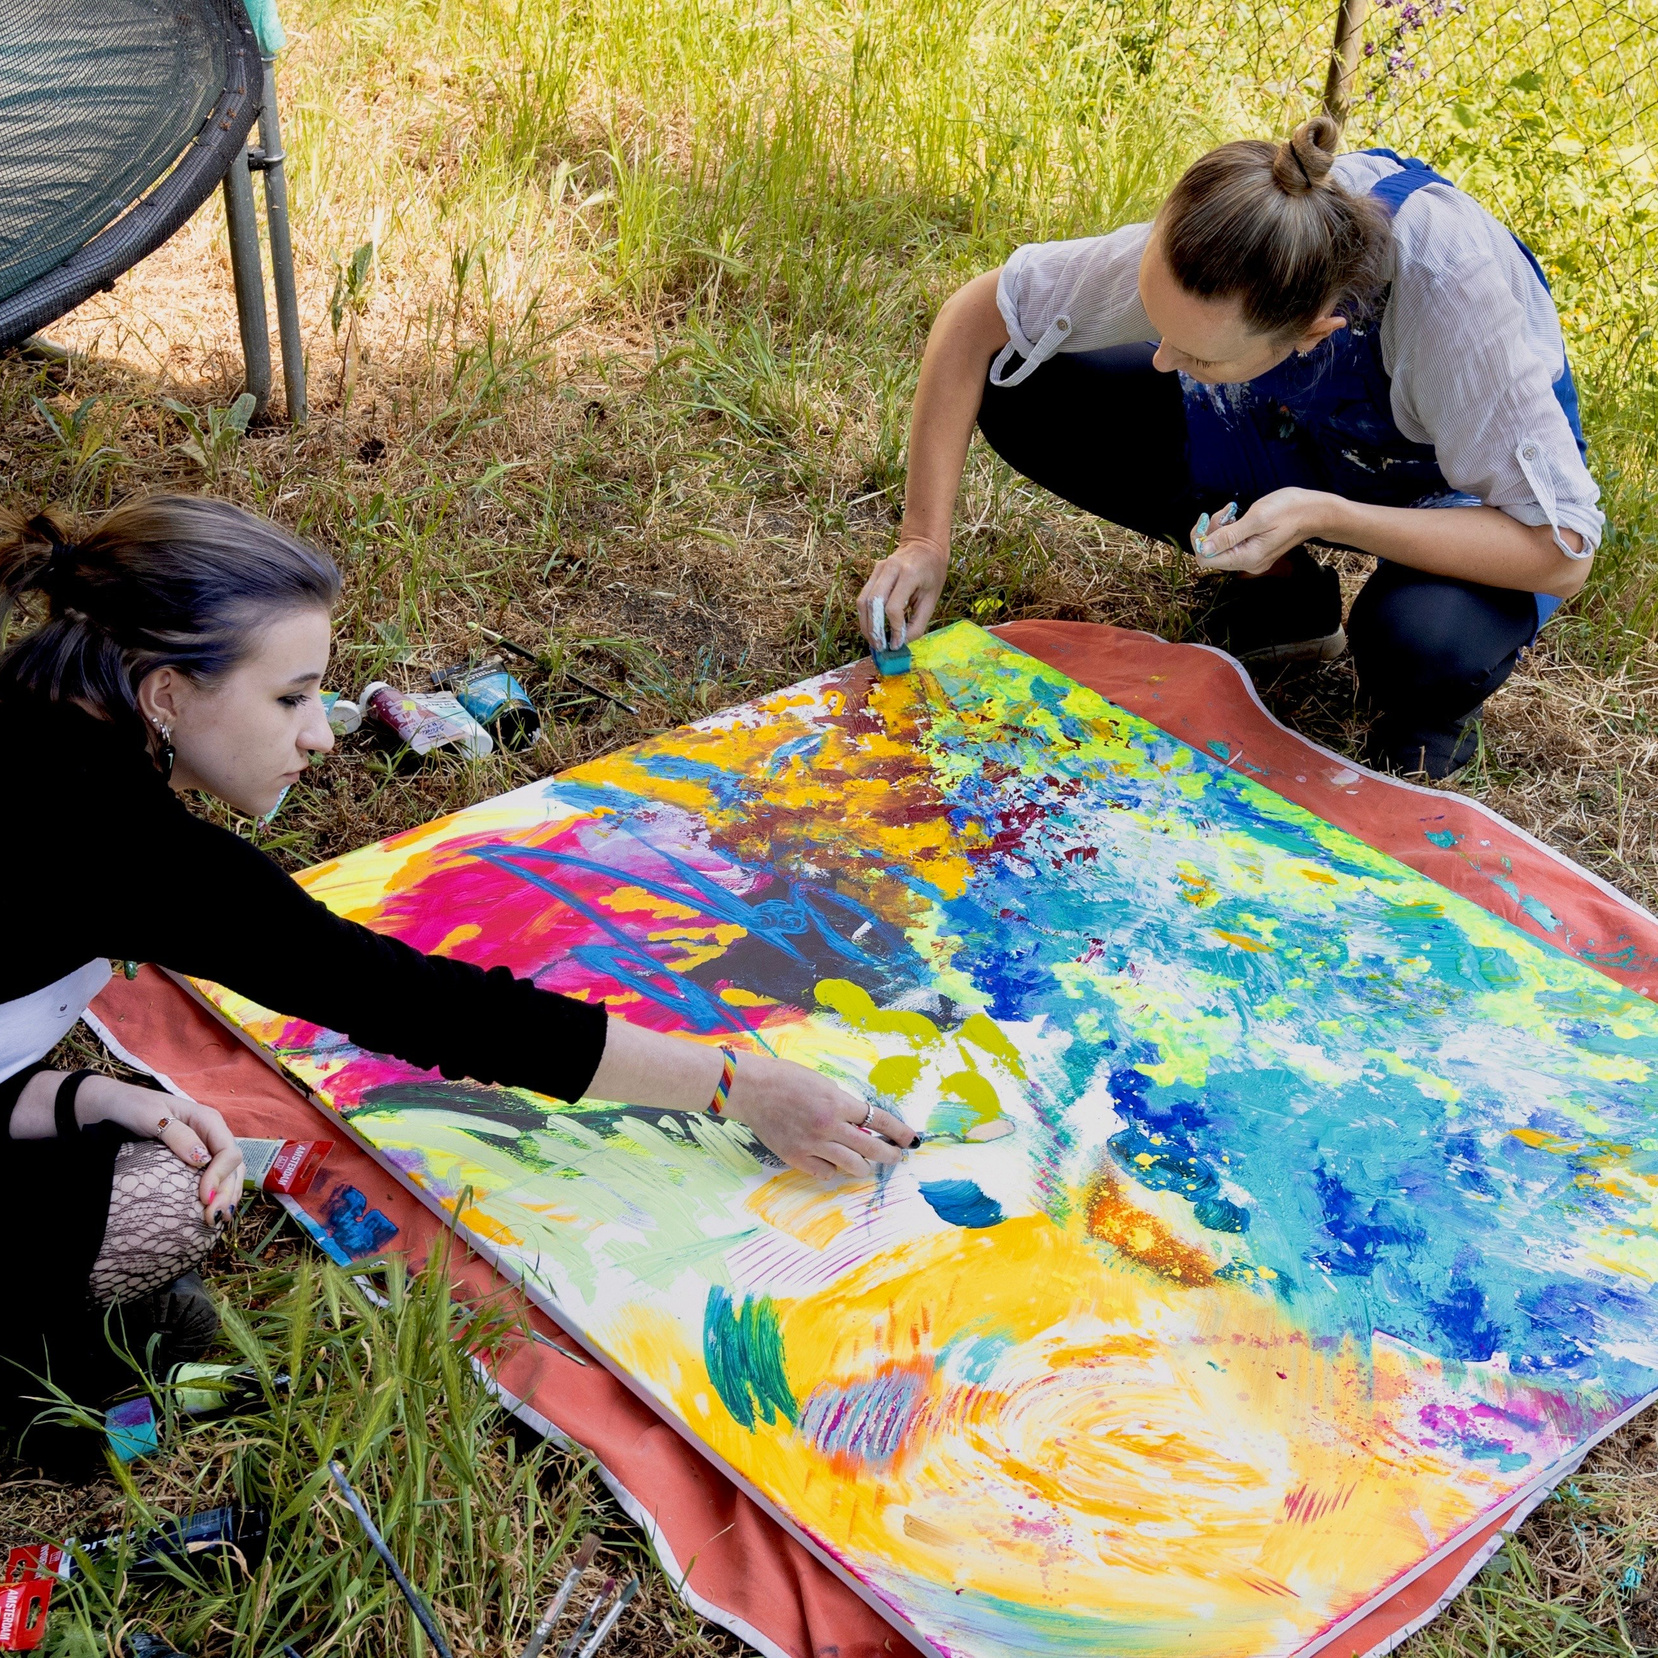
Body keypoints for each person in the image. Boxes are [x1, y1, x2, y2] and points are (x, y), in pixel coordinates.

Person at [0, 494, 914, 1456]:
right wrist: (744, 1085)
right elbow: (423, 1008)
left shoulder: (41, 725)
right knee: (165, 1207)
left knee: (156, 1156)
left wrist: (74, 1093)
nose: (321, 735)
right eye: (288, 698)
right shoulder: (118, 844)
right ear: (164, 693)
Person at [858, 116, 1601, 779]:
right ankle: (1284, 602)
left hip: (1464, 493)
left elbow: (1561, 548)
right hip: (1295, 425)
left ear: (1316, 329)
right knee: (1025, 385)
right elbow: (977, 316)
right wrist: (924, 538)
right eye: (1160, 326)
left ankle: (1425, 714)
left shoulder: (1452, 303)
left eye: (1198, 356)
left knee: (1422, 647)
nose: (1160, 359)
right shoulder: (1241, 232)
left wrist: (1331, 516)